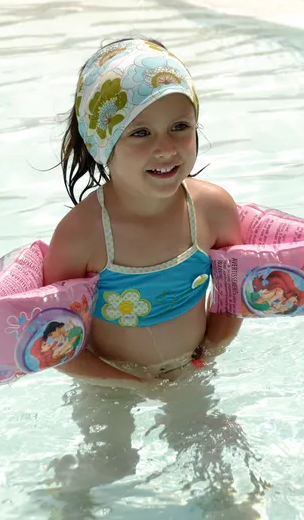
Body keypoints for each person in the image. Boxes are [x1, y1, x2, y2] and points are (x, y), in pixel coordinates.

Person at [44, 37, 243, 384]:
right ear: (103, 145)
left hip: (193, 369)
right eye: (140, 132)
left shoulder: (213, 210)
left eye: (179, 127)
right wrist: (134, 384)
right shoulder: (82, 235)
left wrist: (207, 355)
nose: (165, 148)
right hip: (109, 383)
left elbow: (232, 299)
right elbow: (55, 346)